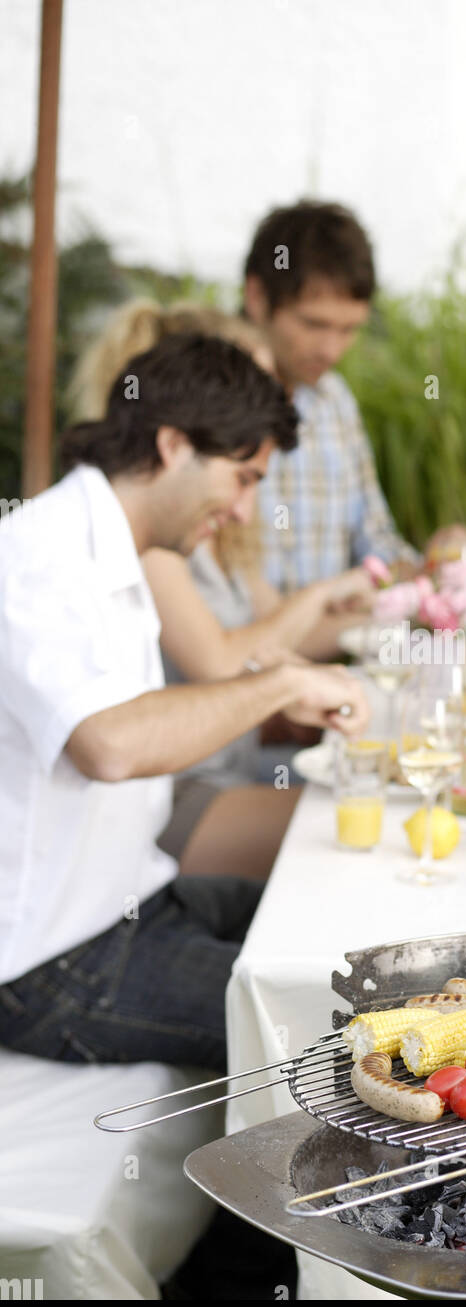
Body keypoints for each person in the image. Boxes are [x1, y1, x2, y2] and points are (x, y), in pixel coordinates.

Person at [0, 331, 368, 1071]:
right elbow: (109, 743)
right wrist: (284, 682)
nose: (243, 509)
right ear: (172, 445)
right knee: (347, 1030)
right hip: (49, 966)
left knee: (368, 940)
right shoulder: (39, 556)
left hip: (138, 904)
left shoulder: (118, 550)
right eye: (242, 477)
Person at [69, 299, 375, 875]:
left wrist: (387, 621)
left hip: (221, 771)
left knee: (366, 814)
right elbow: (219, 665)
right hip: (175, 799)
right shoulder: (148, 535)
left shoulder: (204, 526)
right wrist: (302, 640)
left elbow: (268, 641)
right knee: (358, 836)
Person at [242, 199, 466, 598]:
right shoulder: (205, 403)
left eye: (349, 329)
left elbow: (376, 546)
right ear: (257, 297)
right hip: (241, 654)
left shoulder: (334, 400)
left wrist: (435, 563)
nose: (331, 350)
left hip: (337, 649)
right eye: (314, 324)